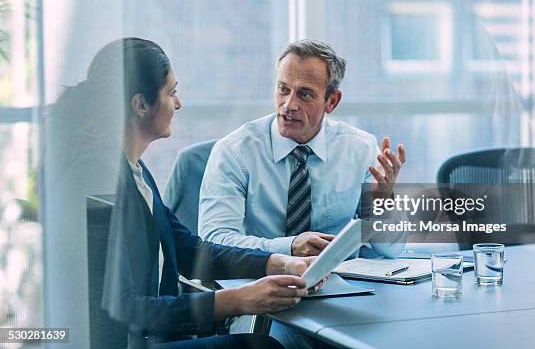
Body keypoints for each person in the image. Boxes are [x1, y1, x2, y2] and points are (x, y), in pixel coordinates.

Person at [100, 38, 322, 348]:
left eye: (306, 93)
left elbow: (193, 251)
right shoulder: (105, 187)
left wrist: (282, 263)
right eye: (172, 92)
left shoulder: (138, 173)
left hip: (172, 329)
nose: (178, 104)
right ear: (141, 105)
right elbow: (126, 309)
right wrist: (238, 299)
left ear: (332, 101)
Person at [199, 39, 406, 259]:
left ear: (332, 101)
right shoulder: (235, 152)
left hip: (342, 285)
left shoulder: (360, 150)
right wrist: (288, 248)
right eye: (283, 89)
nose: (289, 105)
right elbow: (214, 240)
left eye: (304, 94)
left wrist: (382, 203)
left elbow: (390, 250)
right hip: (259, 282)